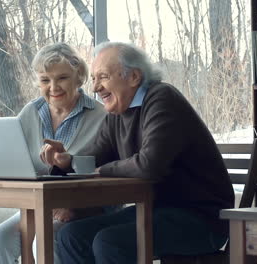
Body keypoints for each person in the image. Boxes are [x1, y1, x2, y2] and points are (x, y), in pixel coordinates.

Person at [40, 41, 235, 264]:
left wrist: (101, 170)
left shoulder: (162, 98)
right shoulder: (117, 112)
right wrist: (67, 161)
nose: (95, 87)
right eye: (94, 78)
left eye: (103, 77)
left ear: (134, 77)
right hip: (157, 211)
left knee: (109, 241)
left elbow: (148, 165)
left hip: (201, 217)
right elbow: (93, 157)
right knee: (71, 236)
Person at [0, 43, 107, 264]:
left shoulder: (101, 116)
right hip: (38, 206)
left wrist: (75, 204)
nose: (53, 87)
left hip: (85, 208)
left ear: (78, 77)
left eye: (62, 78)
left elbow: (108, 173)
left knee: (43, 240)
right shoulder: (29, 112)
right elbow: (16, 165)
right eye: (45, 80)